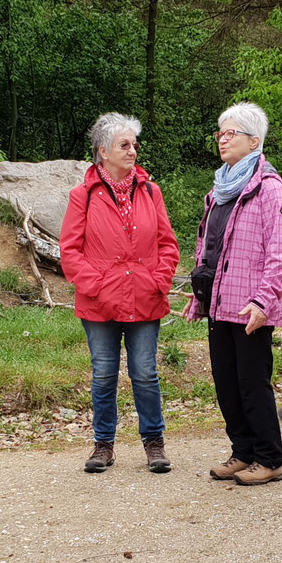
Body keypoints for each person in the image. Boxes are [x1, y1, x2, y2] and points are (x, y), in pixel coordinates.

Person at [57, 112, 180, 474]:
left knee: (144, 373)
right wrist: (96, 287)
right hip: (98, 303)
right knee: (104, 374)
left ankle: (154, 444)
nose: (133, 150)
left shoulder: (151, 191)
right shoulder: (83, 195)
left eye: (134, 144)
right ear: (102, 151)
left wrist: (158, 280)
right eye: (124, 145)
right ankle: (103, 446)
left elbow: (168, 244)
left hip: (145, 297)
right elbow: (71, 250)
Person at [184, 103, 282, 486]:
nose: (222, 139)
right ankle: (242, 451)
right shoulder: (219, 190)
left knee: (251, 383)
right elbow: (207, 247)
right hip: (218, 302)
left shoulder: (269, 189)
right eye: (220, 133)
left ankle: (270, 458)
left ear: (254, 141)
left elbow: (280, 255)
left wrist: (263, 301)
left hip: (251, 308)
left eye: (231, 133)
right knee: (226, 383)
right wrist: (198, 295)